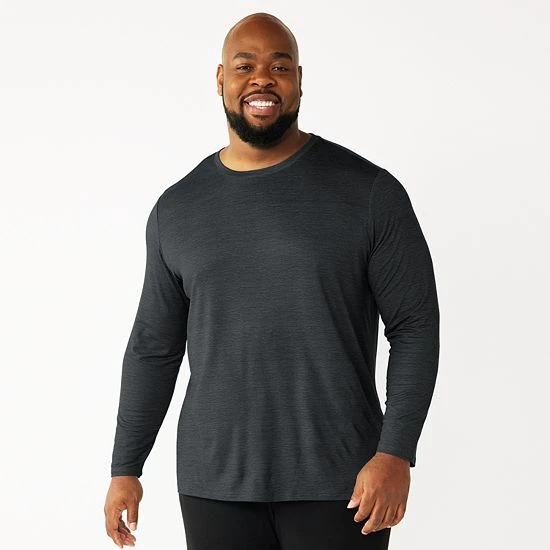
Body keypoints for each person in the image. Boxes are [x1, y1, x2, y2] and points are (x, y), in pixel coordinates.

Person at [104, 11, 440, 550]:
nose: (262, 78)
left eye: (279, 66)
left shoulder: (369, 193)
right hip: (213, 483)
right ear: (221, 79)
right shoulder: (177, 209)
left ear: (299, 81)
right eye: (245, 66)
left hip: (343, 481)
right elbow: (153, 347)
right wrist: (126, 467)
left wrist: (396, 453)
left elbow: (415, 327)